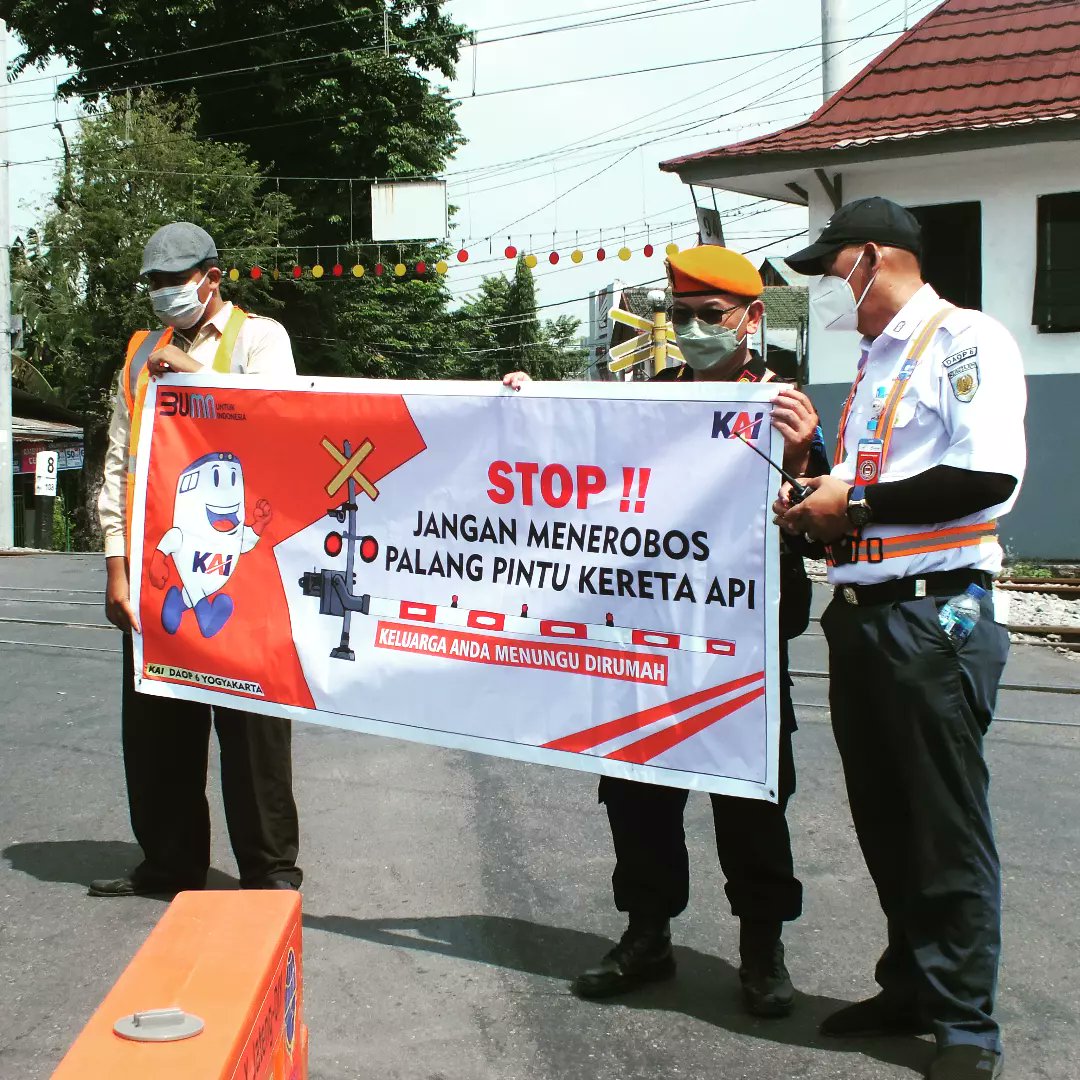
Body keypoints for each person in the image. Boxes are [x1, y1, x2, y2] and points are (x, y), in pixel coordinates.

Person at [505, 245, 827, 1017]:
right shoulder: (652, 398)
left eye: (707, 316)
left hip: (738, 650)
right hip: (647, 642)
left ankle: (762, 952)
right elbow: (581, 463)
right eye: (680, 315)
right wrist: (524, 404)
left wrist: (800, 453)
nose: (691, 329)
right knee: (637, 795)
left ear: (750, 320)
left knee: (752, 801)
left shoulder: (786, 406)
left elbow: (821, 527)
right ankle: (647, 934)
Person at [774, 197, 1025, 1080]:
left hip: (934, 617)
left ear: (873, 257)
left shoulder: (967, 341)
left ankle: (965, 1025)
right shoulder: (877, 362)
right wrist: (814, 489)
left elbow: (987, 475)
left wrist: (860, 502)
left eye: (830, 269)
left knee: (942, 823)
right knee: (884, 818)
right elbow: (869, 490)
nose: (826, 291)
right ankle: (911, 983)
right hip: (866, 615)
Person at [90, 222, 303, 897]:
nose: (163, 295)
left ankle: (269, 875)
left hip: (245, 574)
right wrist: (116, 570)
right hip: (159, 570)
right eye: (153, 283)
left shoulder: (260, 339)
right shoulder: (139, 352)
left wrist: (191, 373)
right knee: (157, 730)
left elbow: (280, 426)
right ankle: (169, 862)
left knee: (252, 734)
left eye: (174, 281)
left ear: (213, 277)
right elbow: (121, 466)